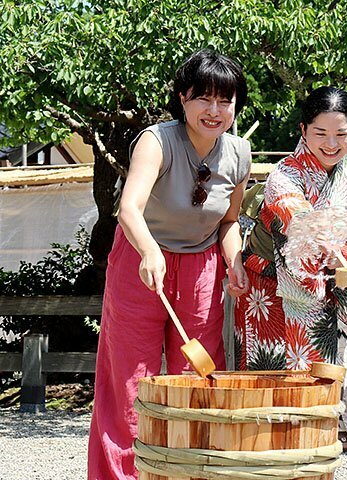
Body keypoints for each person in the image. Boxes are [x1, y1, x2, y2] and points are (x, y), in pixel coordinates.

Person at [88, 50, 251, 479]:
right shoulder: (155, 141)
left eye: (226, 101)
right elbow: (129, 208)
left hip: (201, 267)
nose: (215, 111)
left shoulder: (239, 153)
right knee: (130, 380)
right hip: (140, 260)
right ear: (182, 98)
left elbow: (229, 220)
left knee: (194, 378)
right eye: (204, 99)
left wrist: (234, 261)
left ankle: (185, 472)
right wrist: (150, 251)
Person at [234, 86, 347, 452]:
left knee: (334, 358)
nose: (331, 144)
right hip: (272, 288)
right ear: (303, 130)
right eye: (321, 134)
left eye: (342, 134)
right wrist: (330, 250)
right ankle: (275, 448)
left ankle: (330, 438)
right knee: (275, 365)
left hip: (337, 283)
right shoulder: (286, 173)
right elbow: (296, 217)